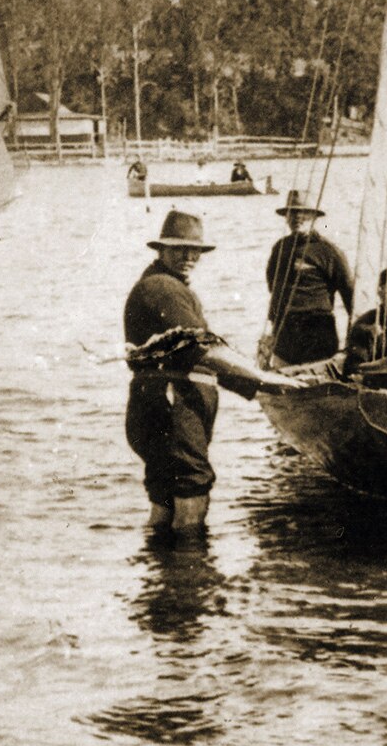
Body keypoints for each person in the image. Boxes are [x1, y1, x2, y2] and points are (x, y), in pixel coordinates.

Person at [123, 209, 291, 535]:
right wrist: (267, 380)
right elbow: (206, 350)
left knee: (164, 497)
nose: (188, 256)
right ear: (161, 250)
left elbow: (203, 356)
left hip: (155, 404)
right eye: (178, 249)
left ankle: (159, 575)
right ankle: (193, 579)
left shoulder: (160, 285)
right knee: (191, 494)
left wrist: (256, 388)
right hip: (175, 408)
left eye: (194, 250)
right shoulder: (164, 288)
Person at [262, 190, 355, 366]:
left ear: (314, 216)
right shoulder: (280, 248)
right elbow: (273, 288)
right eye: (293, 212)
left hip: (317, 335)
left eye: (303, 212)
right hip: (285, 336)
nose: (298, 217)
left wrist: (355, 340)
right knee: (283, 387)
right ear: (287, 217)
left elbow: (350, 296)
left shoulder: (328, 252)